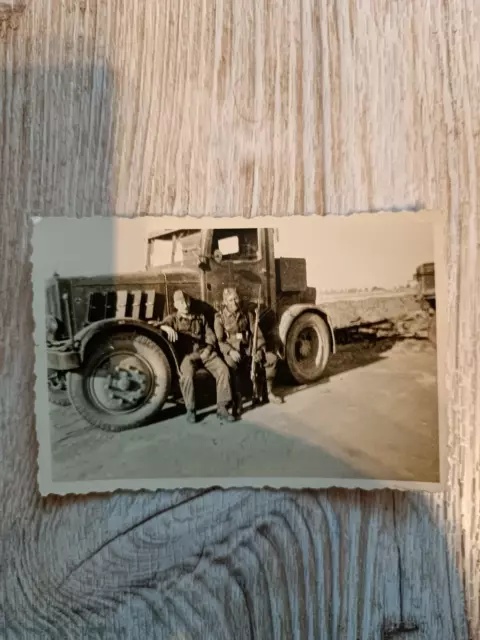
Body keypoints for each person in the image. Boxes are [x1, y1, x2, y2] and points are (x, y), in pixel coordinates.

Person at [160, 290, 234, 424]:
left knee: (223, 369)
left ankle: (222, 407)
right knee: (186, 376)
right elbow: (157, 325)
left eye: (187, 301)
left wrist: (208, 349)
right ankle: (191, 409)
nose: (185, 305)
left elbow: (210, 336)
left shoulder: (200, 317)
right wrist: (166, 328)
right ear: (176, 305)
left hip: (205, 352)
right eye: (181, 302)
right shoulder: (173, 319)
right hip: (188, 356)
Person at [214, 287, 282, 418]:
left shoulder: (247, 314)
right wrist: (230, 352)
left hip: (249, 350)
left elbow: (257, 335)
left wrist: (259, 351)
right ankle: (237, 399)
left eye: (236, 299)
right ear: (224, 302)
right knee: (231, 366)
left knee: (272, 359)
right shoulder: (220, 318)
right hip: (233, 352)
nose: (234, 302)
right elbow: (220, 342)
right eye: (230, 300)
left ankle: (268, 392)